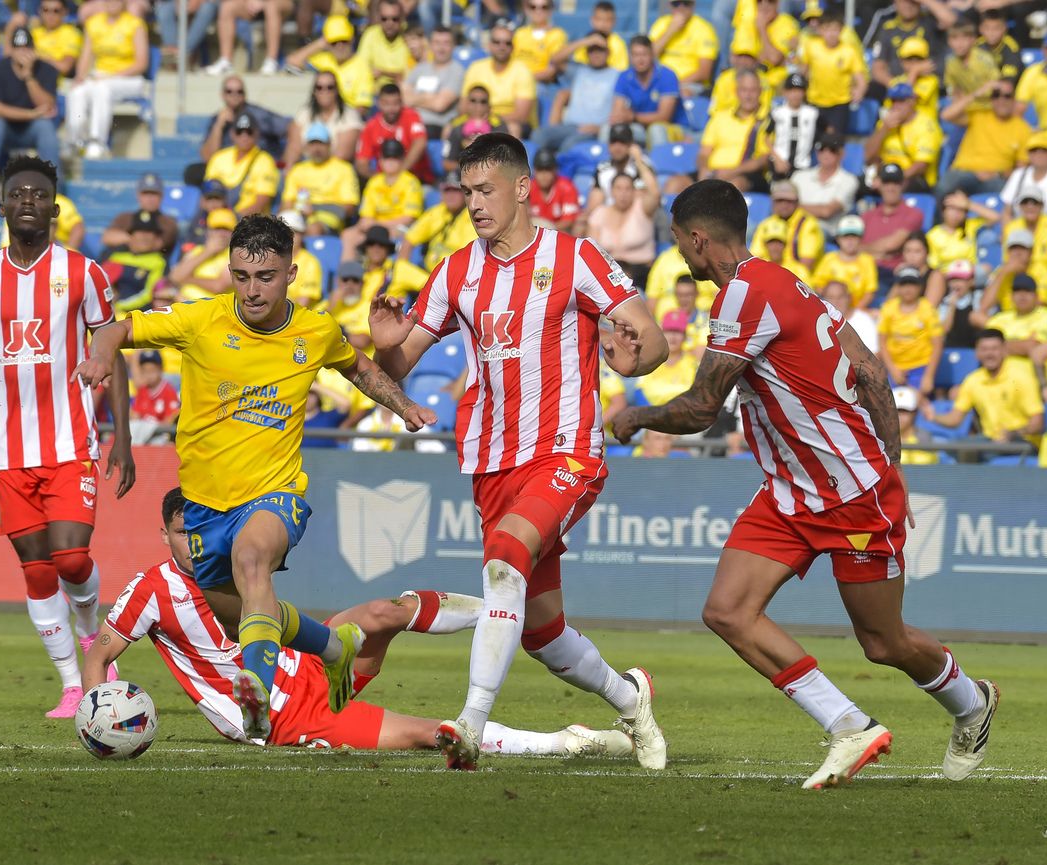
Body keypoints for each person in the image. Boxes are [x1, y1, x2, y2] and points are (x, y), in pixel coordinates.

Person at [612, 178, 999, 789]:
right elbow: (870, 371)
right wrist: (892, 466)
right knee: (728, 611)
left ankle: (973, 704)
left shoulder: (742, 296)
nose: (682, 257)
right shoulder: (786, 280)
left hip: (848, 494)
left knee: (884, 642)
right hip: (790, 490)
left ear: (696, 238)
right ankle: (848, 725)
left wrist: (632, 417)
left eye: (680, 246)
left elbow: (701, 408)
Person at [367, 132, 669, 771]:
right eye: (466, 192)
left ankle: (470, 724)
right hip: (491, 461)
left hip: (566, 450)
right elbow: (400, 360)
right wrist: (386, 340)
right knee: (540, 632)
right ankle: (631, 699)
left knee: (504, 560)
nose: (474, 204)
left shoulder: (575, 257)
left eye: (485, 190)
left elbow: (651, 338)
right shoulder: (456, 270)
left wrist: (630, 354)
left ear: (523, 189)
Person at [74, 213, 435, 740]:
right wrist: (102, 355)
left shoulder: (315, 330)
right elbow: (118, 328)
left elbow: (358, 367)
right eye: (241, 276)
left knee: (252, 559)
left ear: (291, 273)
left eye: (264, 276)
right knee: (244, 613)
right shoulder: (202, 320)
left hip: (275, 493)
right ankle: (337, 649)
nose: (252, 289)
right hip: (203, 508)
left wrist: (402, 405)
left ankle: (257, 692)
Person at [82, 487, 633, 758]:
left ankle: (499, 615)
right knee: (432, 735)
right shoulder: (149, 590)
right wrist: (95, 713)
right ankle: (564, 743)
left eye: (196, 529)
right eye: (180, 533)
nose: (190, 541)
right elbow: (99, 654)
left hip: (302, 663)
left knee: (382, 613)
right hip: (283, 717)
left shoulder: (237, 559)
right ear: (164, 536)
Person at [0, 155, 137, 719]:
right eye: (17, 193)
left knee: (70, 558)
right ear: (1, 207)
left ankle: (95, 642)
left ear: (55, 207)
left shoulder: (85, 273)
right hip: (5, 449)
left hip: (71, 441)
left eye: (39, 194)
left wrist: (124, 436)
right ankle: (73, 684)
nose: (28, 201)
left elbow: (112, 353)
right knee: (38, 569)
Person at [0, 27, 60, 199]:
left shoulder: (46, 69)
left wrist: (28, 76)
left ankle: (54, 187)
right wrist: (30, 114)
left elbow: (47, 105)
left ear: (34, 50)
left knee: (45, 128)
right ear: (11, 50)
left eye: (27, 48)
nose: (23, 53)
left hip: (31, 129)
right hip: (5, 127)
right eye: (18, 49)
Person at [923, 328, 1044, 443]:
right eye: (984, 349)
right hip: (990, 441)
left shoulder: (1021, 377)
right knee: (956, 447)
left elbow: (1037, 423)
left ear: (1004, 350)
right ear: (977, 352)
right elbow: (955, 419)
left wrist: (1013, 433)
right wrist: (933, 416)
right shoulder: (973, 380)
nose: (989, 354)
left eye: (994, 349)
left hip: (1022, 440)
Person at [66, 0, 149, 159]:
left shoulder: (135, 24)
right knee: (77, 91)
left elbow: (141, 63)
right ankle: (75, 140)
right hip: (100, 76)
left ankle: (97, 141)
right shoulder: (94, 23)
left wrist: (112, 75)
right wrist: (79, 77)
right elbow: (86, 56)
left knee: (101, 89)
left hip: (129, 78)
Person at [938, 77, 1031, 198]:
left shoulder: (1022, 128)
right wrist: (978, 93)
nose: (1001, 100)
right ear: (991, 99)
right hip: (964, 172)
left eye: (1007, 96)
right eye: (996, 95)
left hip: (996, 178)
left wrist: (999, 174)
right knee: (943, 187)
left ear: (1014, 99)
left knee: (1008, 195)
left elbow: (1021, 168)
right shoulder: (979, 115)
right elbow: (946, 115)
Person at [534, 36, 620, 153]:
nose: (596, 54)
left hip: (594, 130)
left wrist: (601, 128)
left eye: (600, 50)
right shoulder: (579, 71)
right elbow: (555, 60)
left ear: (608, 52)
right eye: (591, 50)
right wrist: (586, 41)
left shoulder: (617, 75)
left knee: (569, 145)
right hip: (570, 126)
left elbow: (620, 109)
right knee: (539, 135)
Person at [587, 156, 661, 287]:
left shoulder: (642, 208)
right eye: (619, 188)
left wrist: (639, 160)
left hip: (641, 275)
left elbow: (655, 192)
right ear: (611, 191)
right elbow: (591, 252)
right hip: (609, 276)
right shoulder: (599, 213)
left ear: (634, 191)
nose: (623, 194)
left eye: (627, 189)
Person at [341, 138, 423, 255]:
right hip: (375, 226)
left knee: (387, 235)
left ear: (402, 160)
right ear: (380, 160)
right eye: (386, 157)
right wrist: (372, 225)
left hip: (398, 227)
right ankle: (348, 272)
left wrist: (378, 225)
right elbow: (365, 215)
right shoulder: (374, 182)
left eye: (394, 158)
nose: (390, 161)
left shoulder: (411, 182)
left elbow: (410, 218)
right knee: (348, 234)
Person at [280, 123, 360, 236]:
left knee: (313, 229)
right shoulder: (298, 169)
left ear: (329, 144)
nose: (316, 149)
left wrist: (314, 209)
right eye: (313, 144)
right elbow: (287, 202)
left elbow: (349, 208)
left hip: (327, 219)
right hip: (298, 215)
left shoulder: (344, 169)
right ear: (307, 146)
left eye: (321, 143)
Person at [697, 69, 771, 191]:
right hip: (713, 173)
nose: (748, 96)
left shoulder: (767, 120)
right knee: (677, 183)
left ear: (760, 92)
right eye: (744, 90)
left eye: (753, 90)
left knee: (732, 187)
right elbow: (704, 153)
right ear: (737, 92)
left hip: (746, 175)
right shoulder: (720, 117)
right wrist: (703, 169)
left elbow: (763, 159)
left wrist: (731, 172)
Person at [285, 17, 375, 113]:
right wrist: (320, 43)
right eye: (334, 42)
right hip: (322, 116)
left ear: (352, 40)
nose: (340, 46)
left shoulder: (362, 66)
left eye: (344, 41)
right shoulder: (324, 59)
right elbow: (292, 61)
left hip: (348, 118)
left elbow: (362, 108)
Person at [864, 81, 941, 193]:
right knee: (858, 185)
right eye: (893, 101)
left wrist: (890, 180)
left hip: (913, 178)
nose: (895, 105)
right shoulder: (885, 123)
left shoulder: (926, 126)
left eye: (901, 101)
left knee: (893, 189)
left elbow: (921, 166)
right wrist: (884, 129)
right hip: (885, 173)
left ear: (912, 102)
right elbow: (867, 156)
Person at [799, 8, 865, 136]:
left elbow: (860, 78)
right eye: (827, 29)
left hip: (840, 103)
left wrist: (859, 91)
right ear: (821, 30)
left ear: (841, 30)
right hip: (815, 101)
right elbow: (803, 72)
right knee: (813, 139)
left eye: (835, 29)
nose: (831, 34)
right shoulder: (812, 46)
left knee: (835, 141)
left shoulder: (849, 51)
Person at [460, 25, 535, 137]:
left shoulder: (523, 71)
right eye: (497, 42)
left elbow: (521, 115)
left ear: (513, 46)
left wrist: (490, 119)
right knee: (450, 128)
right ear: (489, 45)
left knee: (512, 128)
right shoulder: (475, 68)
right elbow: (463, 107)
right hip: (477, 118)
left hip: (509, 122)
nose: (502, 46)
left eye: (507, 43)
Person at [609, 35, 682, 150]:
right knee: (610, 129)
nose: (640, 60)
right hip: (638, 127)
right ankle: (609, 167)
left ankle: (658, 167)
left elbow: (664, 117)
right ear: (630, 56)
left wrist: (633, 117)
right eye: (635, 55)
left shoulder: (667, 75)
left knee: (656, 130)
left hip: (671, 128)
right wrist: (621, 117)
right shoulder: (624, 76)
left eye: (644, 54)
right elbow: (618, 113)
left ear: (652, 55)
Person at [878, 266, 943, 394]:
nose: (908, 289)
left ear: (920, 287)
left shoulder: (928, 310)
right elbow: (882, 342)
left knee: (917, 401)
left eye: (912, 284)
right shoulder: (888, 309)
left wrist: (928, 376)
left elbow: (937, 344)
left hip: (921, 367)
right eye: (903, 284)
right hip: (894, 366)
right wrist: (893, 369)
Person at [200, 76, 291, 164]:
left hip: (260, 170)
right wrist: (218, 126)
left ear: (244, 95)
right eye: (229, 91)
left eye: (239, 91)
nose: (234, 95)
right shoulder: (217, 119)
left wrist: (286, 163)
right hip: (232, 172)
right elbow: (208, 158)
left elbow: (292, 128)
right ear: (222, 95)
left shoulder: (258, 115)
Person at [204, 113, 281, 217]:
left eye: (249, 132)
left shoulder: (265, 161)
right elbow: (207, 195)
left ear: (257, 134)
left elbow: (261, 202)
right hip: (218, 218)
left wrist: (235, 219)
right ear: (232, 134)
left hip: (250, 222)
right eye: (239, 131)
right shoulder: (219, 157)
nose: (244, 136)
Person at [282, 71, 363, 167]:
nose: (324, 91)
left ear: (337, 90)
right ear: (314, 91)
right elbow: (293, 148)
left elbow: (343, 155)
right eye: (319, 87)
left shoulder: (349, 115)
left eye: (330, 87)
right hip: (305, 165)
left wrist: (320, 174)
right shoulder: (304, 113)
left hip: (336, 169)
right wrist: (291, 169)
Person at [401, 171, 476, 273]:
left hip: (453, 277)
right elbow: (409, 239)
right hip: (427, 274)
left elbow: (466, 259)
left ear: (465, 193)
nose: (450, 195)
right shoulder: (437, 212)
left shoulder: (472, 219)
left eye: (455, 190)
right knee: (399, 271)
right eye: (447, 190)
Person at [354, 83, 429, 182]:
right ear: (379, 103)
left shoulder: (411, 116)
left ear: (401, 102)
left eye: (395, 103)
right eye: (386, 104)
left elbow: (420, 142)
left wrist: (399, 174)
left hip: (415, 178)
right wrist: (380, 180)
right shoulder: (371, 126)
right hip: (384, 181)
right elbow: (361, 162)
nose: (391, 109)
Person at [861, 163, 923, 284]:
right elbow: (852, 246)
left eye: (896, 183)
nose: (891, 188)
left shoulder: (914, 214)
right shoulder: (867, 216)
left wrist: (865, 250)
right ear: (879, 184)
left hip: (890, 274)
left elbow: (892, 244)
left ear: (903, 184)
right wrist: (878, 254)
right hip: (864, 271)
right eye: (886, 182)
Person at [749, 180, 824, 276]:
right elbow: (755, 258)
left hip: (799, 278)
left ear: (797, 202)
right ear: (772, 202)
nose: (784, 205)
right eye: (779, 201)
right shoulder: (766, 224)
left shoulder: (808, 224)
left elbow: (806, 265)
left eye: (789, 201)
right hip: (768, 275)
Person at [1000, 132, 1047, 224]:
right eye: (1034, 150)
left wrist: (1046, 234)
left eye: (1043, 150)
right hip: (1022, 232)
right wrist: (1009, 233)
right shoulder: (1018, 174)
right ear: (1028, 154)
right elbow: (1007, 212)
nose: (1039, 154)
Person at [793, 132, 858, 240]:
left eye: (832, 149)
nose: (826, 153)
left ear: (841, 154)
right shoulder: (799, 176)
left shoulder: (849, 180)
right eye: (822, 149)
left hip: (824, 231)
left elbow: (827, 211)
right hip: (794, 227)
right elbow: (779, 203)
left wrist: (794, 206)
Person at [98, 211, 167, 314]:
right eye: (139, 231)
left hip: (134, 315)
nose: (144, 237)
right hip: (105, 310)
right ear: (130, 235)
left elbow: (148, 295)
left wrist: (118, 307)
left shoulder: (159, 262)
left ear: (156, 238)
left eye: (150, 232)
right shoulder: (115, 255)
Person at [402, 27, 463, 138]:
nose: (441, 48)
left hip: (434, 126)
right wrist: (427, 97)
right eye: (437, 43)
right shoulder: (420, 68)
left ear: (453, 46)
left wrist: (414, 98)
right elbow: (402, 97)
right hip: (410, 122)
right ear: (430, 45)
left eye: (446, 43)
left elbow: (439, 105)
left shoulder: (456, 71)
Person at [101, 172, 179, 259]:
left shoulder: (168, 221)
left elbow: (153, 245)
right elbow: (107, 237)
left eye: (154, 194)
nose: (149, 198)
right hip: (121, 264)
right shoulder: (125, 217)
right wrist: (134, 239)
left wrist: (126, 238)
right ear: (138, 195)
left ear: (161, 196)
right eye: (145, 193)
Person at [647, 0, 717, 98]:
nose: (681, 8)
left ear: (693, 5)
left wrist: (674, 85)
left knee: (681, 94)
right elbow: (648, 57)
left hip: (690, 84)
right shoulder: (661, 24)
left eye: (686, 3)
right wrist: (670, 30)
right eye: (676, 4)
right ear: (670, 6)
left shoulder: (704, 29)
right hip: (662, 82)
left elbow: (704, 73)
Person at [813, 215, 877, 310]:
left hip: (856, 311)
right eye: (845, 236)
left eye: (854, 236)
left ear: (860, 239)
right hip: (831, 311)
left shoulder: (867, 261)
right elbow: (818, 286)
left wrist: (855, 312)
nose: (850, 241)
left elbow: (869, 292)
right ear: (838, 239)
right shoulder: (829, 259)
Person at [170, 207, 235, 299]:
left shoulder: (234, 255)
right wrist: (207, 252)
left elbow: (218, 287)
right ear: (208, 231)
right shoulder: (197, 250)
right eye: (217, 229)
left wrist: (187, 278)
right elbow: (174, 276)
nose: (221, 233)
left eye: (226, 229)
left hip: (212, 307)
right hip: (185, 304)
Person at [769, 73, 820, 178]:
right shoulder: (777, 113)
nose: (795, 94)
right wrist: (777, 159)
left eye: (799, 90)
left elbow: (826, 133)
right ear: (784, 92)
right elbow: (765, 137)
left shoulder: (813, 113)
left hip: (803, 166)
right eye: (791, 90)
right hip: (780, 166)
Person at [356, 0, 412, 88]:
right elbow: (361, 68)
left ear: (402, 19)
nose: (389, 23)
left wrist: (382, 72)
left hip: (403, 92)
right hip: (375, 93)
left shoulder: (409, 35)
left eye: (395, 19)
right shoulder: (370, 34)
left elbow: (411, 75)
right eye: (384, 19)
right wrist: (395, 75)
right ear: (378, 18)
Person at [128, 349, 179, 443]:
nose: (149, 375)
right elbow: (136, 415)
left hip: (160, 434)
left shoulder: (168, 390)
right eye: (145, 371)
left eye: (152, 370)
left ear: (160, 369)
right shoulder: (142, 390)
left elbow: (171, 419)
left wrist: (152, 428)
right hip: (143, 433)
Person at [527, 149, 581, 233]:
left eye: (548, 169)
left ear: (555, 170)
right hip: (534, 233)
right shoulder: (528, 188)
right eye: (540, 169)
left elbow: (568, 221)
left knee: (579, 224)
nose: (544, 175)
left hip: (560, 233)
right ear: (534, 171)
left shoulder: (567, 187)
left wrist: (546, 228)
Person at [513, 0, 567, 84]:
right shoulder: (520, 33)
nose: (538, 11)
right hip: (515, 81)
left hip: (540, 83)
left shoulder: (557, 34)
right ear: (527, 10)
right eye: (533, 7)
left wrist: (524, 80)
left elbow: (552, 69)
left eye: (544, 7)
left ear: (550, 10)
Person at [892, 385, 938, 465]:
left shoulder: (924, 438)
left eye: (904, 411)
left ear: (915, 413)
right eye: (896, 411)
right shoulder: (882, 440)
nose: (899, 416)